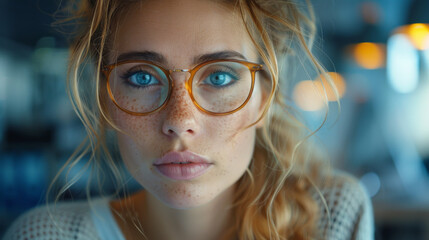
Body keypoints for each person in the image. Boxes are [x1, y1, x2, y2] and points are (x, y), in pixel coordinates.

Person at [3, 0, 374, 239]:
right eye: (142, 77)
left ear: (264, 98)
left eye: (219, 77)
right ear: (106, 99)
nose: (180, 121)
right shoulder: (43, 235)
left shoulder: (332, 219)